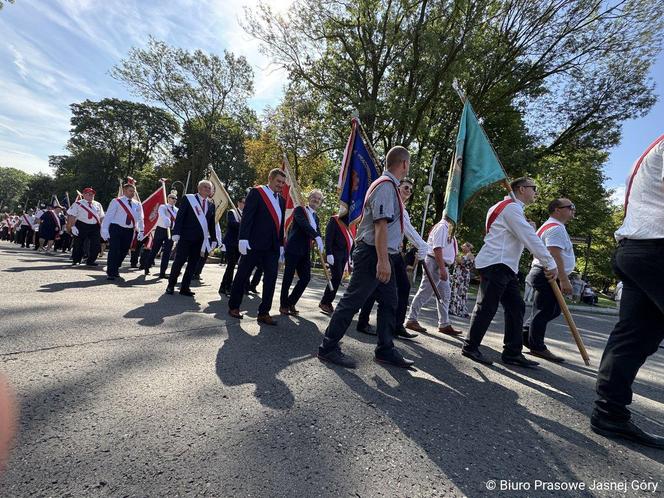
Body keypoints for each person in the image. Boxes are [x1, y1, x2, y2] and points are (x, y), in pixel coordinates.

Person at [591, 133, 664, 449]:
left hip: (638, 248)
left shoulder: (653, 148)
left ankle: (609, 413)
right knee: (633, 337)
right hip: (656, 248)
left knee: (634, 337)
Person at [317, 145, 414, 369]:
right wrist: (382, 261)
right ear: (404, 164)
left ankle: (385, 349)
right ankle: (328, 347)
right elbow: (380, 226)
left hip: (381, 254)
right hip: (373, 254)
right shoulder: (386, 186)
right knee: (353, 301)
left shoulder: (391, 186)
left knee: (390, 301)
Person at [461, 177, 558, 367]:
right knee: (486, 307)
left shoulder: (504, 207)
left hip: (504, 265)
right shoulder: (512, 208)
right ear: (521, 189)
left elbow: (515, 234)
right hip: (498, 263)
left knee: (516, 307)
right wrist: (549, 261)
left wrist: (527, 227)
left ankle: (513, 352)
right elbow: (529, 237)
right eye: (533, 188)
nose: (535, 192)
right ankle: (470, 347)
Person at [356, 177, 427, 339]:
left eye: (410, 189)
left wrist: (420, 245)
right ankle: (363, 321)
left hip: (394, 254)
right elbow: (406, 230)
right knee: (372, 288)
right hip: (382, 251)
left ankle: (397, 325)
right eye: (405, 187)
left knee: (403, 287)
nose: (408, 191)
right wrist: (422, 245)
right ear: (398, 188)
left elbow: (406, 229)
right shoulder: (392, 204)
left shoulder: (403, 210)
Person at [228, 169, 286, 325]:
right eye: (278, 181)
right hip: (253, 243)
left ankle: (264, 312)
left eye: (282, 183)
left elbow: (280, 225)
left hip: (272, 247)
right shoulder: (257, 192)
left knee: (271, 279)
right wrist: (243, 238)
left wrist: (281, 245)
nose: (280, 185)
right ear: (270, 179)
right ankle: (234, 306)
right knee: (242, 275)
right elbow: (247, 216)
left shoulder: (282, 200)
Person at [521, 198, 577, 363]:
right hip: (548, 274)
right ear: (557, 210)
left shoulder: (551, 226)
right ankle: (537, 346)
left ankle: (526, 336)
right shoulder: (555, 229)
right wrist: (564, 279)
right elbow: (554, 253)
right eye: (570, 207)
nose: (573, 210)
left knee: (548, 310)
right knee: (546, 310)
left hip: (545, 272)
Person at [405, 215, 462, 337]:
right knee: (425, 291)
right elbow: (437, 249)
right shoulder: (442, 227)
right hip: (435, 263)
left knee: (445, 295)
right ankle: (411, 319)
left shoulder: (448, 228)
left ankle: (444, 323)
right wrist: (442, 268)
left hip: (441, 264)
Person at [166, 180, 217, 297]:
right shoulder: (189, 199)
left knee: (193, 264)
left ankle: (185, 287)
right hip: (186, 237)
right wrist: (176, 232)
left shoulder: (211, 205)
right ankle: (171, 285)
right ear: (199, 188)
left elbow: (211, 224)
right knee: (179, 261)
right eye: (205, 187)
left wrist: (214, 239)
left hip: (200, 240)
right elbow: (180, 216)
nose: (207, 190)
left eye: (209, 188)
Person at [279, 190, 324, 315]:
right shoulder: (300, 210)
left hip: (305, 251)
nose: (316, 200)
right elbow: (304, 224)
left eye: (319, 199)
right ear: (309, 198)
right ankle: (283, 305)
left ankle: (291, 302)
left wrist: (320, 240)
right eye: (314, 197)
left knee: (305, 278)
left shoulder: (316, 218)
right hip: (293, 249)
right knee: (288, 278)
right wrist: (316, 236)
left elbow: (317, 231)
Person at [101, 182, 145, 281]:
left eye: (133, 191)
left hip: (129, 230)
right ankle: (111, 272)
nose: (132, 193)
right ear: (124, 191)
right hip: (116, 228)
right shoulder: (116, 201)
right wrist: (104, 229)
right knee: (114, 250)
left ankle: (115, 268)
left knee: (124, 251)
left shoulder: (137, 204)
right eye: (130, 191)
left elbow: (140, 218)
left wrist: (141, 230)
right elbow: (109, 216)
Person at [318, 214, 353, 314]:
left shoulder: (351, 222)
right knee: (336, 278)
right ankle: (325, 302)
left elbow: (350, 241)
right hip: (335, 255)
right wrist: (329, 253)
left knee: (337, 280)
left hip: (344, 256)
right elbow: (329, 237)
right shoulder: (335, 219)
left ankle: (328, 302)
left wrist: (350, 256)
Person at [144, 190, 178, 278]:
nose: (174, 200)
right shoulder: (163, 206)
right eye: (172, 198)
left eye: (175, 199)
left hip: (170, 231)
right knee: (155, 250)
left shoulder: (176, 210)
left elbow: (178, 220)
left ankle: (162, 272)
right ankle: (147, 266)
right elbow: (161, 214)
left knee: (167, 252)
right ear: (168, 198)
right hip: (161, 230)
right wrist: (166, 219)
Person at [67, 187, 104, 266]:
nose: (91, 196)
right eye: (89, 194)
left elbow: (101, 217)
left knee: (96, 245)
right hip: (82, 225)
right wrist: (73, 226)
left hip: (95, 226)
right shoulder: (78, 204)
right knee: (78, 244)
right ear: (83, 195)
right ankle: (76, 260)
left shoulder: (98, 204)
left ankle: (91, 261)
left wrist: (103, 227)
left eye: (92, 194)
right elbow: (72, 216)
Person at [218, 197, 244, 296]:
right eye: (243, 202)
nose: (244, 205)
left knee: (232, 266)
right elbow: (232, 224)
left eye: (246, 203)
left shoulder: (245, 215)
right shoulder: (232, 212)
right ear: (238, 203)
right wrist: (243, 224)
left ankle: (223, 286)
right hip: (230, 242)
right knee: (231, 265)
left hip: (238, 243)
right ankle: (228, 287)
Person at [449, 242, 474, 318]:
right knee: (456, 291)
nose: (462, 247)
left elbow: (462, 262)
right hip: (459, 275)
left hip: (462, 276)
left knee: (460, 292)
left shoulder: (469, 255)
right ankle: (454, 308)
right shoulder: (464, 255)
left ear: (468, 248)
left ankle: (457, 310)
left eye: (464, 246)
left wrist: (456, 257)